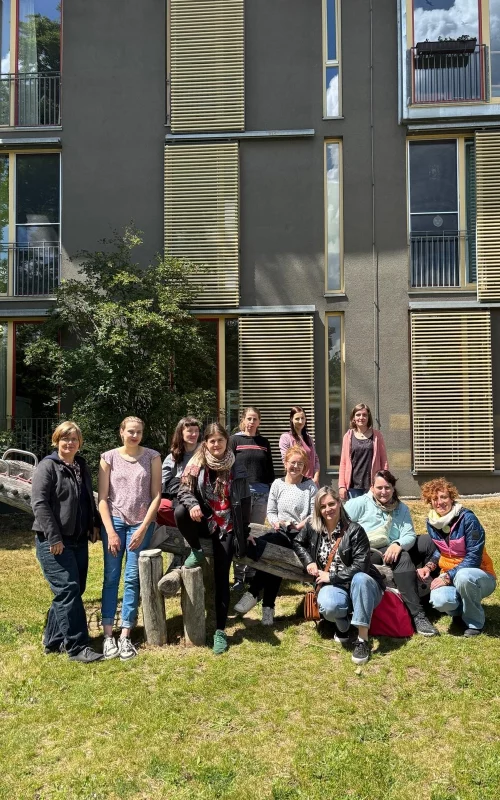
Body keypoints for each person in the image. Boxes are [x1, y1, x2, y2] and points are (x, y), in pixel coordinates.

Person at [175, 422, 251, 655]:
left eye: (220, 440)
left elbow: (245, 502)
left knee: (221, 577)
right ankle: (196, 550)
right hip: (205, 520)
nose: (216, 444)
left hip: (226, 525)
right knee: (180, 512)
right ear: (205, 443)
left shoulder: (236, 466)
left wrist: (244, 534)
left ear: (227, 441)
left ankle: (220, 630)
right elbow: (182, 491)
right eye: (211, 440)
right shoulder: (196, 463)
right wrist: (194, 504)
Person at [31, 421, 103, 663]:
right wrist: (54, 537)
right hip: (54, 541)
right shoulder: (47, 466)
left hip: (78, 539)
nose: (69, 443)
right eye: (65, 439)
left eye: (74, 439)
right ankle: (76, 645)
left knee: (74, 589)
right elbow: (39, 504)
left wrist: (94, 523)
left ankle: (53, 640)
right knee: (67, 589)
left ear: (79, 443)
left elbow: (86, 499)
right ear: (57, 441)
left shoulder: (81, 465)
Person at [293, 487, 384, 665]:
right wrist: (309, 562)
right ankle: (344, 626)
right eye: (323, 506)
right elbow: (297, 542)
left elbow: (361, 566)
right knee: (328, 605)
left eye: (332, 504)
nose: (328, 509)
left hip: (363, 586)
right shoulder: (313, 527)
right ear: (318, 509)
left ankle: (362, 640)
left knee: (359, 578)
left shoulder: (355, 530)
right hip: (336, 588)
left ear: (339, 503)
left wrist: (331, 577)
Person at [345, 470, 438, 636]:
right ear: (372, 488)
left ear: (393, 489)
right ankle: (418, 615)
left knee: (429, 542)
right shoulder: (359, 503)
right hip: (369, 550)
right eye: (379, 487)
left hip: (393, 546)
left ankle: (434, 596)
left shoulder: (400, 508)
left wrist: (398, 544)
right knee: (403, 558)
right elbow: (341, 524)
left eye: (387, 488)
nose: (383, 492)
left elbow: (409, 534)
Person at [98, 416, 161, 660]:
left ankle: (125, 635)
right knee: (111, 576)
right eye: (130, 431)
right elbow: (102, 498)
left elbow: (157, 495)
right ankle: (107, 636)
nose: (134, 436)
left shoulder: (152, 457)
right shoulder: (108, 457)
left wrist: (144, 527)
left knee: (133, 577)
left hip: (141, 523)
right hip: (114, 521)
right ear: (121, 432)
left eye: (139, 432)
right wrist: (111, 532)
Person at [234, 445, 317, 626]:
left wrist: (301, 524)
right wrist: (278, 522)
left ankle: (254, 593)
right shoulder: (277, 485)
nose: (296, 467)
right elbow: (271, 512)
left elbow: (314, 513)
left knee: (264, 545)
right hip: (281, 531)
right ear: (285, 463)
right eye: (293, 463)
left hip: (301, 535)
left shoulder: (310, 486)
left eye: (300, 464)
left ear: (305, 466)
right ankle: (267, 609)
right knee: (272, 551)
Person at [418, 479, 496, 637]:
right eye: (435, 499)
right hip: (451, 574)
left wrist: (447, 577)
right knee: (439, 600)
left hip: (479, 575)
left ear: (452, 498)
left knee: (463, 576)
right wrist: (429, 567)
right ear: (430, 502)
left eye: (444, 497)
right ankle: (461, 613)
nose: (440, 502)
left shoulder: (468, 519)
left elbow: (474, 558)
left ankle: (474, 622)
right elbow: (441, 549)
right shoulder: (432, 522)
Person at [230, 406, 275, 590]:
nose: (251, 422)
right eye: (249, 418)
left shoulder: (264, 442)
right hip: (241, 492)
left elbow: (269, 468)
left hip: (262, 492)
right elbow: (229, 465)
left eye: (255, 419)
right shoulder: (234, 440)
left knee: (255, 533)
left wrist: (271, 488)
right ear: (243, 420)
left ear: (259, 421)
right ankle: (239, 576)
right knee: (241, 532)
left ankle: (252, 573)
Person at [338, 403, 388, 501]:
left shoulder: (377, 436)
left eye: (364, 415)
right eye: (358, 415)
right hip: (353, 486)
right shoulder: (348, 436)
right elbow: (343, 463)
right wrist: (341, 485)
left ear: (368, 417)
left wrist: (385, 482)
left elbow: (384, 461)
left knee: (372, 514)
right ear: (353, 418)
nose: (361, 417)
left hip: (372, 485)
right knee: (354, 515)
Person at [157, 416, 201, 528]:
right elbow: (163, 483)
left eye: (196, 431)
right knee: (159, 507)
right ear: (181, 433)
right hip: (179, 496)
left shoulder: (204, 453)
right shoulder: (172, 457)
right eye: (190, 431)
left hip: (201, 495)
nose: (194, 434)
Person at [279, 406, 320, 486]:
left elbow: (316, 459)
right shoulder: (286, 438)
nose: (301, 421)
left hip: (312, 482)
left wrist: (316, 477)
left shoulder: (308, 438)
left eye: (303, 418)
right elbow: (286, 461)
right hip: (296, 483)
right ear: (291, 419)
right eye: (297, 419)